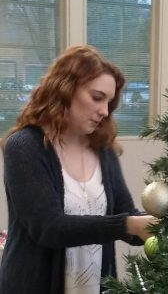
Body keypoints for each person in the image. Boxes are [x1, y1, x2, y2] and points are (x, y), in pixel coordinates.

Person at [0, 45, 155, 294]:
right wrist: (130, 224)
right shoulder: (24, 146)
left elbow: (124, 214)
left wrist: (158, 225)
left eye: (109, 101)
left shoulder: (103, 149)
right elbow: (49, 227)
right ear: (65, 89)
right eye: (97, 97)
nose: (104, 111)